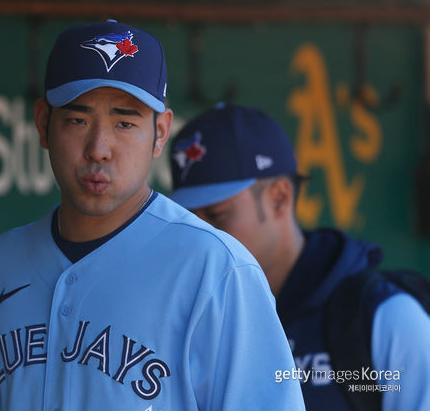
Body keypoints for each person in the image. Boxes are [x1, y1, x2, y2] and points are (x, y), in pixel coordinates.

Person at [0, 21, 305, 411]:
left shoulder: (217, 270)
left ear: (160, 133)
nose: (99, 148)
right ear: (43, 124)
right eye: (78, 120)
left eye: (125, 123)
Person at [170, 103, 430, 411]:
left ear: (279, 198)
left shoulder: (383, 316)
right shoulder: (187, 316)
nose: (203, 236)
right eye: (189, 221)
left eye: (217, 215)